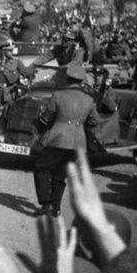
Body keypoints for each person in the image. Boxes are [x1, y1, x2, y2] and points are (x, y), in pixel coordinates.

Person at [33, 62, 99, 217]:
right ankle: (56, 208)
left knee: (41, 167)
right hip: (78, 142)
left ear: (67, 79)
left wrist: (41, 120)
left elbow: (46, 118)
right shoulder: (89, 100)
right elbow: (95, 121)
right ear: (81, 81)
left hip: (58, 138)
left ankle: (46, 203)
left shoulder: (58, 95)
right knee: (60, 174)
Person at [0, 37, 35, 105]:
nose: (12, 52)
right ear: (3, 51)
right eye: (10, 50)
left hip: (11, 96)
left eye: (12, 50)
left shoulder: (16, 62)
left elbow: (26, 72)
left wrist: (33, 69)